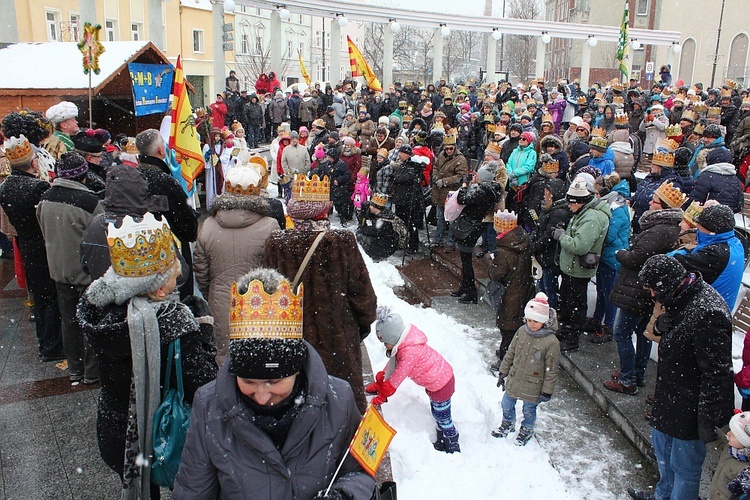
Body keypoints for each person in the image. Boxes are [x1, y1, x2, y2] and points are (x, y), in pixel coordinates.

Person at [173, 268, 375, 499]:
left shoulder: (338, 399)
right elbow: (192, 491)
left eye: (274, 381)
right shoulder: (209, 406)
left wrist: (345, 495)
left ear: (297, 371)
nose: (261, 395)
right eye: (248, 381)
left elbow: (360, 469)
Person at [78, 214, 218, 498]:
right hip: (162, 433)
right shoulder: (172, 322)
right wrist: (202, 327)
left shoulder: (102, 312)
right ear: (156, 287)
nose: (177, 279)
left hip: (117, 431)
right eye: (172, 275)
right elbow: (204, 383)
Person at [263, 176, 377, 412]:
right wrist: (362, 325)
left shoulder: (277, 243)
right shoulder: (342, 242)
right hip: (338, 339)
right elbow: (363, 294)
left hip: (292, 337)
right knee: (341, 403)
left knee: (298, 401)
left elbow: (268, 292)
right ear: (324, 210)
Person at [628, 255, 733, 500]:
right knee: (664, 458)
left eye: (654, 288)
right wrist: (660, 328)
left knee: (685, 469)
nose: (652, 294)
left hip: (690, 407)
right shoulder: (680, 298)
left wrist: (707, 418)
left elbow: (717, 372)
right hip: (670, 396)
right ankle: (661, 496)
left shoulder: (708, 311)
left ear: (667, 284)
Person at [193, 166, 279, 366]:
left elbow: (201, 270)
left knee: (224, 354)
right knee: (257, 357)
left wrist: (212, 292)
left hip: (220, 299)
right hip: (258, 301)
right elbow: (275, 269)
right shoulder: (270, 225)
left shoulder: (209, 225)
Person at [37, 152, 103, 385]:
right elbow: (101, 238)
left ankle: (75, 369)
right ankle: (92, 371)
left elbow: (45, 232)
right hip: (86, 274)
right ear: (83, 175)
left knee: (69, 321)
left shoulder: (45, 198)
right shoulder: (90, 203)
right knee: (91, 322)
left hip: (59, 270)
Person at [0, 135, 63, 361]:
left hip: (26, 243)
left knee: (40, 296)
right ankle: (53, 346)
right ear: (33, 162)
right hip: (44, 243)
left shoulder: (5, 186)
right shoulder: (38, 187)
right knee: (51, 297)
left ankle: (45, 343)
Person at [367, 306, 460, 453]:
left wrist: (385, 392)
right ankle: (441, 440)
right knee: (438, 412)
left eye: (385, 342)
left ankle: (452, 442)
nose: (385, 346)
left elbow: (399, 374)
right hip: (437, 382)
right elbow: (392, 364)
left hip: (442, 383)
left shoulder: (410, 351)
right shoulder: (404, 345)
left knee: (442, 416)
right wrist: (381, 380)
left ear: (393, 337)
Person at [135, 129, 199, 298]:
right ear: (161, 151)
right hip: (170, 253)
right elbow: (187, 225)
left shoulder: (132, 178)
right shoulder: (165, 182)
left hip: (139, 253)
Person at [492, 292, 560, 446]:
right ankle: (507, 423)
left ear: (544, 320)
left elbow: (551, 369)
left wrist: (547, 390)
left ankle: (526, 429)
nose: (532, 324)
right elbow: (511, 353)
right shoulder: (522, 331)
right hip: (515, 378)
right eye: (529, 320)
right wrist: (503, 371)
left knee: (529, 410)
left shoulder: (551, 342)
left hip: (533, 384)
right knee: (506, 404)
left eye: (536, 321)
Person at [552, 178, 611, 352]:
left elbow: (580, 246)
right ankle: (565, 332)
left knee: (575, 305)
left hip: (578, 270)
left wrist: (562, 236)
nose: (569, 207)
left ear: (580, 201)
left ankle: (572, 339)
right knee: (566, 303)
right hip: (571, 268)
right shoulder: (584, 212)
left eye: (571, 203)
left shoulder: (591, 217)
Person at [484, 210, 534, 365]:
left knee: (507, 328)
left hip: (510, 293)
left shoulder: (503, 250)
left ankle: (505, 361)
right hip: (523, 289)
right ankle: (509, 355)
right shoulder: (522, 240)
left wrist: (487, 260)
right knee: (515, 325)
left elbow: (496, 274)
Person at [671, 203, 744, 309]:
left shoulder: (717, 254)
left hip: (704, 315)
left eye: (700, 225)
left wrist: (672, 254)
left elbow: (674, 263)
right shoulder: (734, 242)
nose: (697, 227)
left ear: (710, 230)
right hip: (716, 311)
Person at [451, 164, 503, 304]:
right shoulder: (487, 190)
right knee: (464, 259)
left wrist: (464, 185)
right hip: (474, 225)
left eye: (477, 175)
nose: (475, 176)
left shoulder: (482, 192)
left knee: (466, 260)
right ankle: (464, 287)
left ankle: (471, 292)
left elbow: (462, 199)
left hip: (471, 226)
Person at [588, 173, 630, 344]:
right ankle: (597, 319)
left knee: (609, 294)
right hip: (605, 256)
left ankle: (608, 326)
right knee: (601, 291)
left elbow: (609, 234)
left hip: (613, 257)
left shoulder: (617, 208)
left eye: (597, 193)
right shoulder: (612, 204)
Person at [529, 178, 571, 311]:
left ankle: (550, 315)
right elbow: (540, 228)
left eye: (546, 192)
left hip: (550, 257)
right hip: (545, 256)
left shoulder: (559, 213)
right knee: (543, 287)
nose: (543, 194)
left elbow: (549, 237)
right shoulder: (548, 208)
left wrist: (534, 247)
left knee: (548, 290)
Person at [431, 133, 468, 251]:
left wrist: (445, 181)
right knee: (440, 218)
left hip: (450, 193)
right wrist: (435, 177)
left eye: (451, 148)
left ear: (455, 147)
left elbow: (460, 176)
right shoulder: (441, 154)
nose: (448, 151)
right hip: (439, 191)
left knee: (452, 220)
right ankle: (438, 239)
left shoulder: (460, 159)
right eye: (446, 148)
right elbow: (435, 166)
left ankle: (451, 243)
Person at [707, 411, 750, 500]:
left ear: (744, 441)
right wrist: (712, 435)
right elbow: (721, 446)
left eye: (734, 435)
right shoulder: (732, 449)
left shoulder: (745, 470)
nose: (728, 434)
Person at [688, 147, 743, 212]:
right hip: (727, 219)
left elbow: (695, 201)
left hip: (706, 217)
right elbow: (739, 205)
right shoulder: (735, 180)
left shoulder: (706, 176)